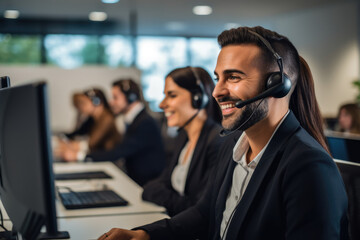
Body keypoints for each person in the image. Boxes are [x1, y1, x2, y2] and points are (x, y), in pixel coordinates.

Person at [97, 26, 348, 240]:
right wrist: (146, 234)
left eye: (233, 77)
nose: (217, 92)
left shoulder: (308, 165)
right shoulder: (233, 146)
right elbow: (206, 212)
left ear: (276, 85)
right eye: (218, 78)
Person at [141, 66, 224, 216]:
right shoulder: (183, 138)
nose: (162, 104)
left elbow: (200, 209)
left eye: (172, 95)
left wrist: (160, 195)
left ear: (198, 98)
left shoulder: (217, 142)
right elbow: (157, 184)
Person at [87, 79, 166, 186]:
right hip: (136, 181)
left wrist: (83, 155)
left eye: (115, 97)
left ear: (131, 98)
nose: (111, 102)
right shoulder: (133, 119)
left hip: (146, 184)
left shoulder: (145, 122)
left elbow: (120, 151)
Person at [55, 88, 122, 161]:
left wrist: (70, 146)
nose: (82, 107)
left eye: (84, 103)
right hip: (98, 158)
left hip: (108, 160)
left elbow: (91, 144)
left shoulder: (107, 119)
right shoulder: (92, 118)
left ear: (96, 102)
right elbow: (78, 132)